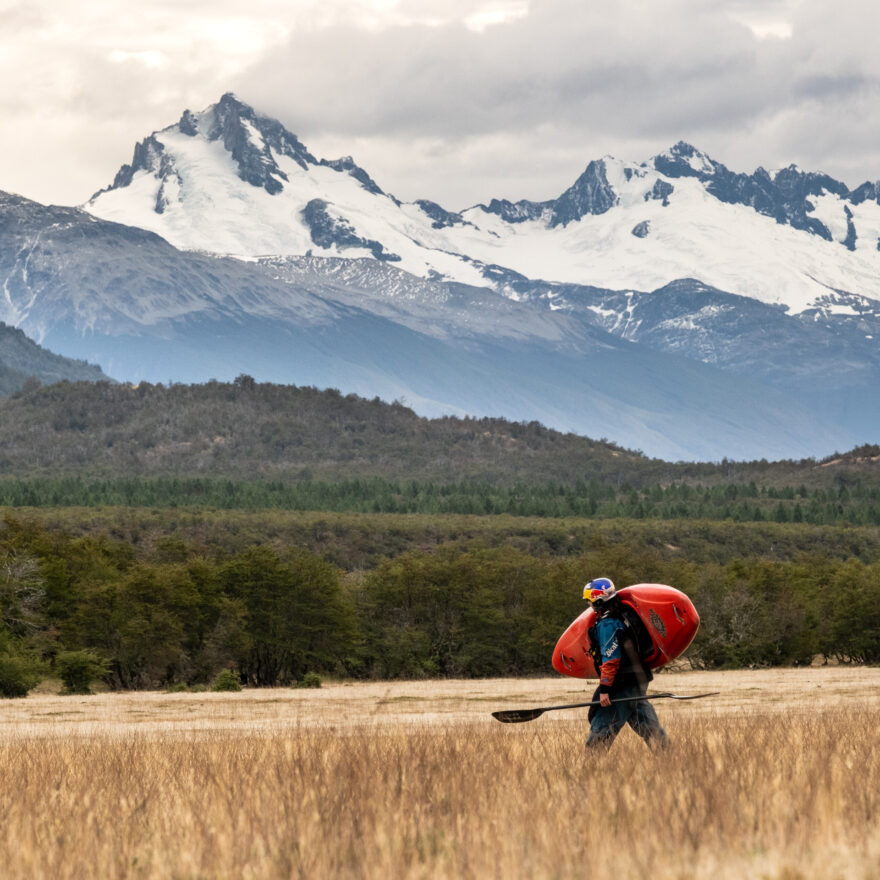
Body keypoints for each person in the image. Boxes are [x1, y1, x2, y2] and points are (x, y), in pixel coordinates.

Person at [583, 577, 667, 749]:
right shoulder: (622, 614)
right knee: (650, 730)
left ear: (599, 600)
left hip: (621, 684)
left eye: (590, 601)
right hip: (637, 679)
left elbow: (611, 659)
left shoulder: (608, 624)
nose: (589, 605)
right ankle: (672, 759)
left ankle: (590, 770)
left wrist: (605, 689)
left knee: (601, 729)